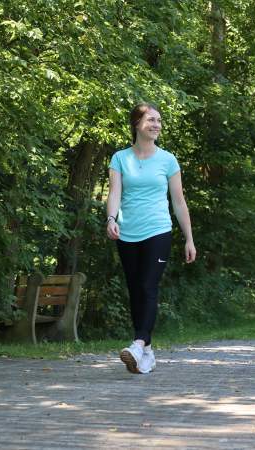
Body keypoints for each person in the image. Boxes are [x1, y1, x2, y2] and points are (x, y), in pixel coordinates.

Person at [106, 102, 196, 374]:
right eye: (151, 120)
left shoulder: (168, 160)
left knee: (148, 286)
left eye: (159, 120)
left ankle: (138, 343)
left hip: (158, 230)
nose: (156, 125)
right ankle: (145, 352)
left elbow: (179, 202)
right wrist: (111, 219)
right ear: (137, 124)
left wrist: (189, 238)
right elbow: (114, 193)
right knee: (136, 291)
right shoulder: (120, 158)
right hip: (127, 232)